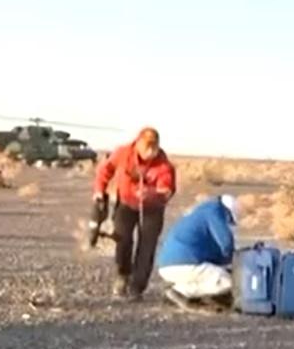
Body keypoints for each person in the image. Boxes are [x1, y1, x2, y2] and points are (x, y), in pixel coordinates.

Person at [93, 127, 176, 301]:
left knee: (147, 246)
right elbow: (105, 170)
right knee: (122, 239)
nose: (151, 151)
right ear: (138, 143)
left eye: (154, 147)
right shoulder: (123, 153)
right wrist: (99, 190)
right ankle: (122, 275)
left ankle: (137, 287)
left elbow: (167, 190)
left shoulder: (163, 165)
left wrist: (151, 193)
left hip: (153, 208)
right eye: (147, 146)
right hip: (126, 203)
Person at [157, 194, 237, 311]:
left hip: (167, 265)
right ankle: (180, 292)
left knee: (212, 273)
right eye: (229, 220)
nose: (228, 224)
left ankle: (180, 291)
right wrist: (235, 262)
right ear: (227, 212)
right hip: (183, 264)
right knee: (226, 281)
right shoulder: (214, 212)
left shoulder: (200, 213)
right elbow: (226, 244)